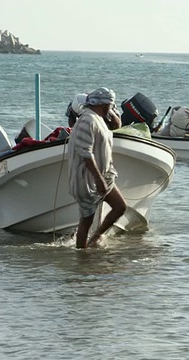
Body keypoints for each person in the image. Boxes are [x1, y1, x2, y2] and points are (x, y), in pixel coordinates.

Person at [68, 87, 127, 248]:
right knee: (85, 222)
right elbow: (85, 153)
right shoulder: (87, 120)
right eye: (110, 105)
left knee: (120, 206)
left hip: (105, 176)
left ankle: (96, 237)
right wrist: (98, 179)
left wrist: (102, 178)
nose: (111, 108)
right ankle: (82, 255)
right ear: (103, 105)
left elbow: (116, 125)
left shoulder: (99, 118)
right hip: (87, 179)